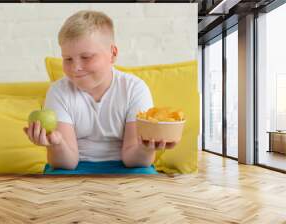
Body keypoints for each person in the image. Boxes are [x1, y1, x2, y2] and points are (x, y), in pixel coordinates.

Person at [24, 10, 177, 170]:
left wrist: (146, 148)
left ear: (112, 53)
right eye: (68, 59)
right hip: (75, 166)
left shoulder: (134, 89)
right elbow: (67, 163)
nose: (75, 68)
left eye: (86, 57)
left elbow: (133, 160)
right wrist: (56, 144)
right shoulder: (58, 92)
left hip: (126, 165)